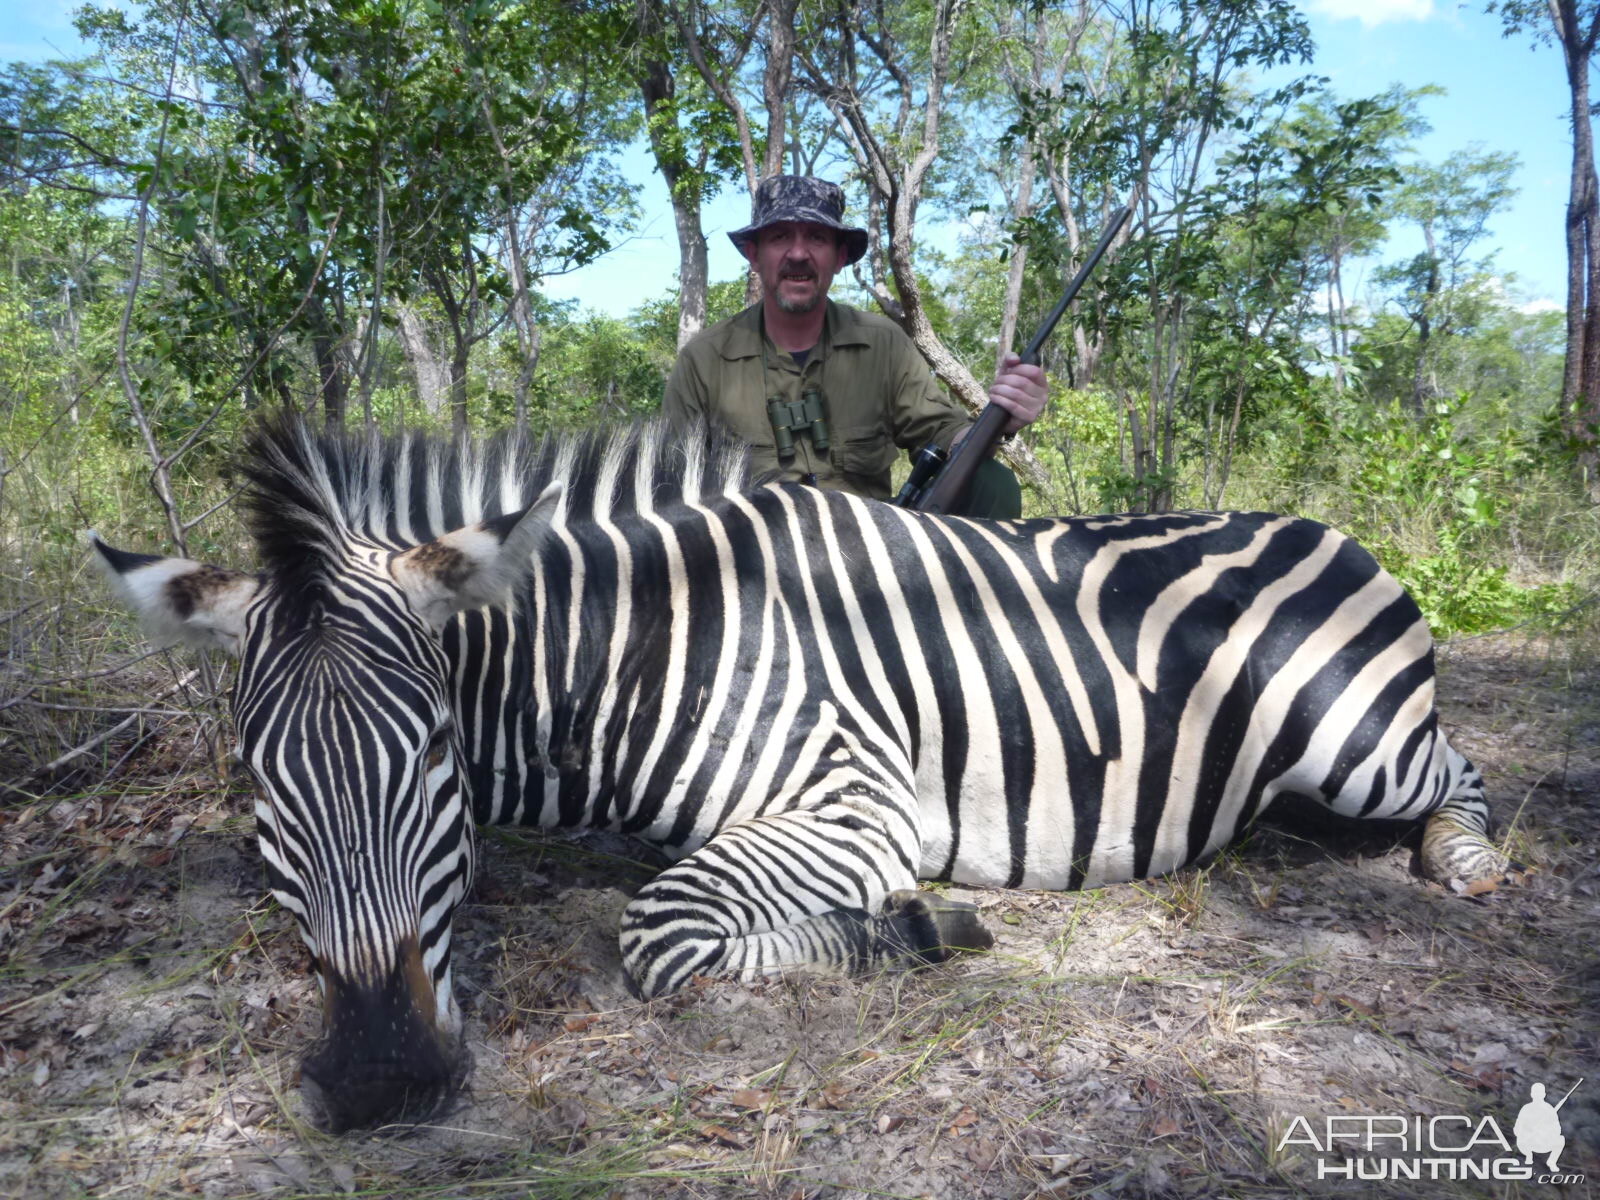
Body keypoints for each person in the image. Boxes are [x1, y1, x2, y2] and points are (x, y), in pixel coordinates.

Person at [663, 175, 1049, 517]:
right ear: (754, 255)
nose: (798, 254)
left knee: (990, 482)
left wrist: (1002, 418)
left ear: (840, 257)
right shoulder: (703, 360)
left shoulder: (883, 344)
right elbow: (669, 487)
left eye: (816, 237)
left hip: (866, 565)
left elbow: (942, 432)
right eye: (780, 236)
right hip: (754, 570)